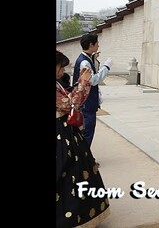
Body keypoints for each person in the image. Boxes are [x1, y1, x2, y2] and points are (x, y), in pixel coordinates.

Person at [57, 50, 111, 227]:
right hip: (60, 134)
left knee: (78, 169)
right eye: (60, 67)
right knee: (68, 169)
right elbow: (71, 103)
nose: (62, 71)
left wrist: (82, 84)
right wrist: (83, 82)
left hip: (66, 130)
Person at [72, 33, 112, 148]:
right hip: (86, 103)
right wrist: (106, 67)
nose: (98, 46)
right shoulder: (84, 62)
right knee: (87, 133)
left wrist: (93, 60)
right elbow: (93, 80)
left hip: (85, 102)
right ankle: (84, 162)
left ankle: (85, 160)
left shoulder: (86, 59)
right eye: (97, 43)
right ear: (91, 45)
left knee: (86, 132)